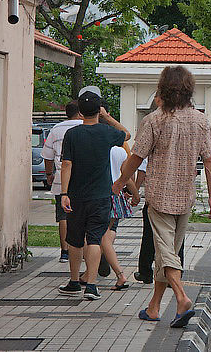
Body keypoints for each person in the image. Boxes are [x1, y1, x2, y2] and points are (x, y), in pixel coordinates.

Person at [113, 65, 211, 328]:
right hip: (185, 196)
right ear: (188, 89)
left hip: (159, 196)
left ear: (162, 89)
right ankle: (154, 307)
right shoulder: (201, 120)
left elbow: (136, 158)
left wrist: (120, 182)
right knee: (167, 253)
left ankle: (182, 298)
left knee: (166, 254)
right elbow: (209, 161)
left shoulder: (154, 120)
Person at [58, 86, 130, 301]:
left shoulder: (72, 134)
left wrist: (64, 193)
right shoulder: (107, 132)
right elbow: (126, 134)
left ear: (79, 112)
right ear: (99, 110)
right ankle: (91, 285)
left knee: (75, 240)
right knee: (95, 240)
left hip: (76, 195)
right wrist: (107, 118)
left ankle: (73, 282)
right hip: (101, 196)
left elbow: (67, 164)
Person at [41, 101, 83, 263]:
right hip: (83, 180)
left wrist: (49, 174)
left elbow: (48, 156)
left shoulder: (56, 129)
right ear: (80, 112)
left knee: (63, 216)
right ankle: (83, 250)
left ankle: (65, 252)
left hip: (60, 180)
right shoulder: (86, 127)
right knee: (82, 216)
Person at [134, 155, 184, 285]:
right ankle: (176, 274)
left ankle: (146, 272)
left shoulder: (154, 148)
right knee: (177, 239)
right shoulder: (185, 149)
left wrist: (135, 190)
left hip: (157, 200)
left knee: (150, 237)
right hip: (179, 200)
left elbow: (142, 170)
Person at [99, 144, 140, 290]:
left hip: (96, 195)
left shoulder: (95, 147)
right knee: (109, 230)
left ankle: (119, 274)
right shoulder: (120, 151)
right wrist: (135, 194)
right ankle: (95, 265)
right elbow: (126, 176)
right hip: (115, 194)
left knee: (98, 237)